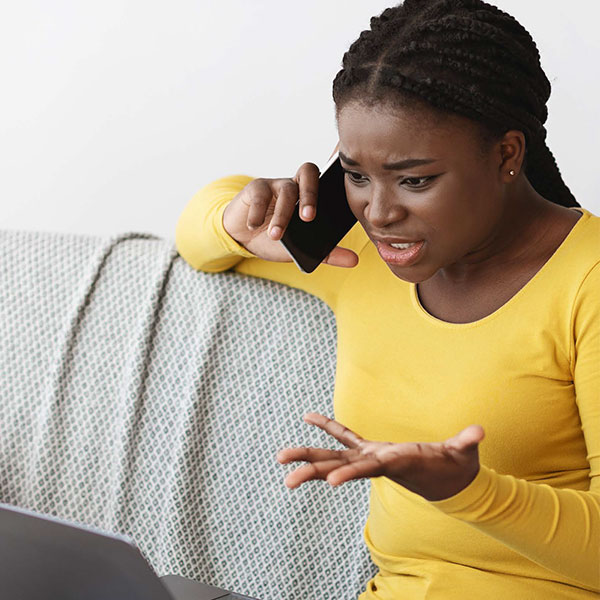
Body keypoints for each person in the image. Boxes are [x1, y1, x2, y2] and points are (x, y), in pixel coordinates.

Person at [175, 0, 599, 597]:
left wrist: (468, 491)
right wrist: (241, 220)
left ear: (507, 154)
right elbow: (197, 236)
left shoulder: (589, 282)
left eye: (414, 180)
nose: (378, 212)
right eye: (355, 174)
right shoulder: (359, 258)